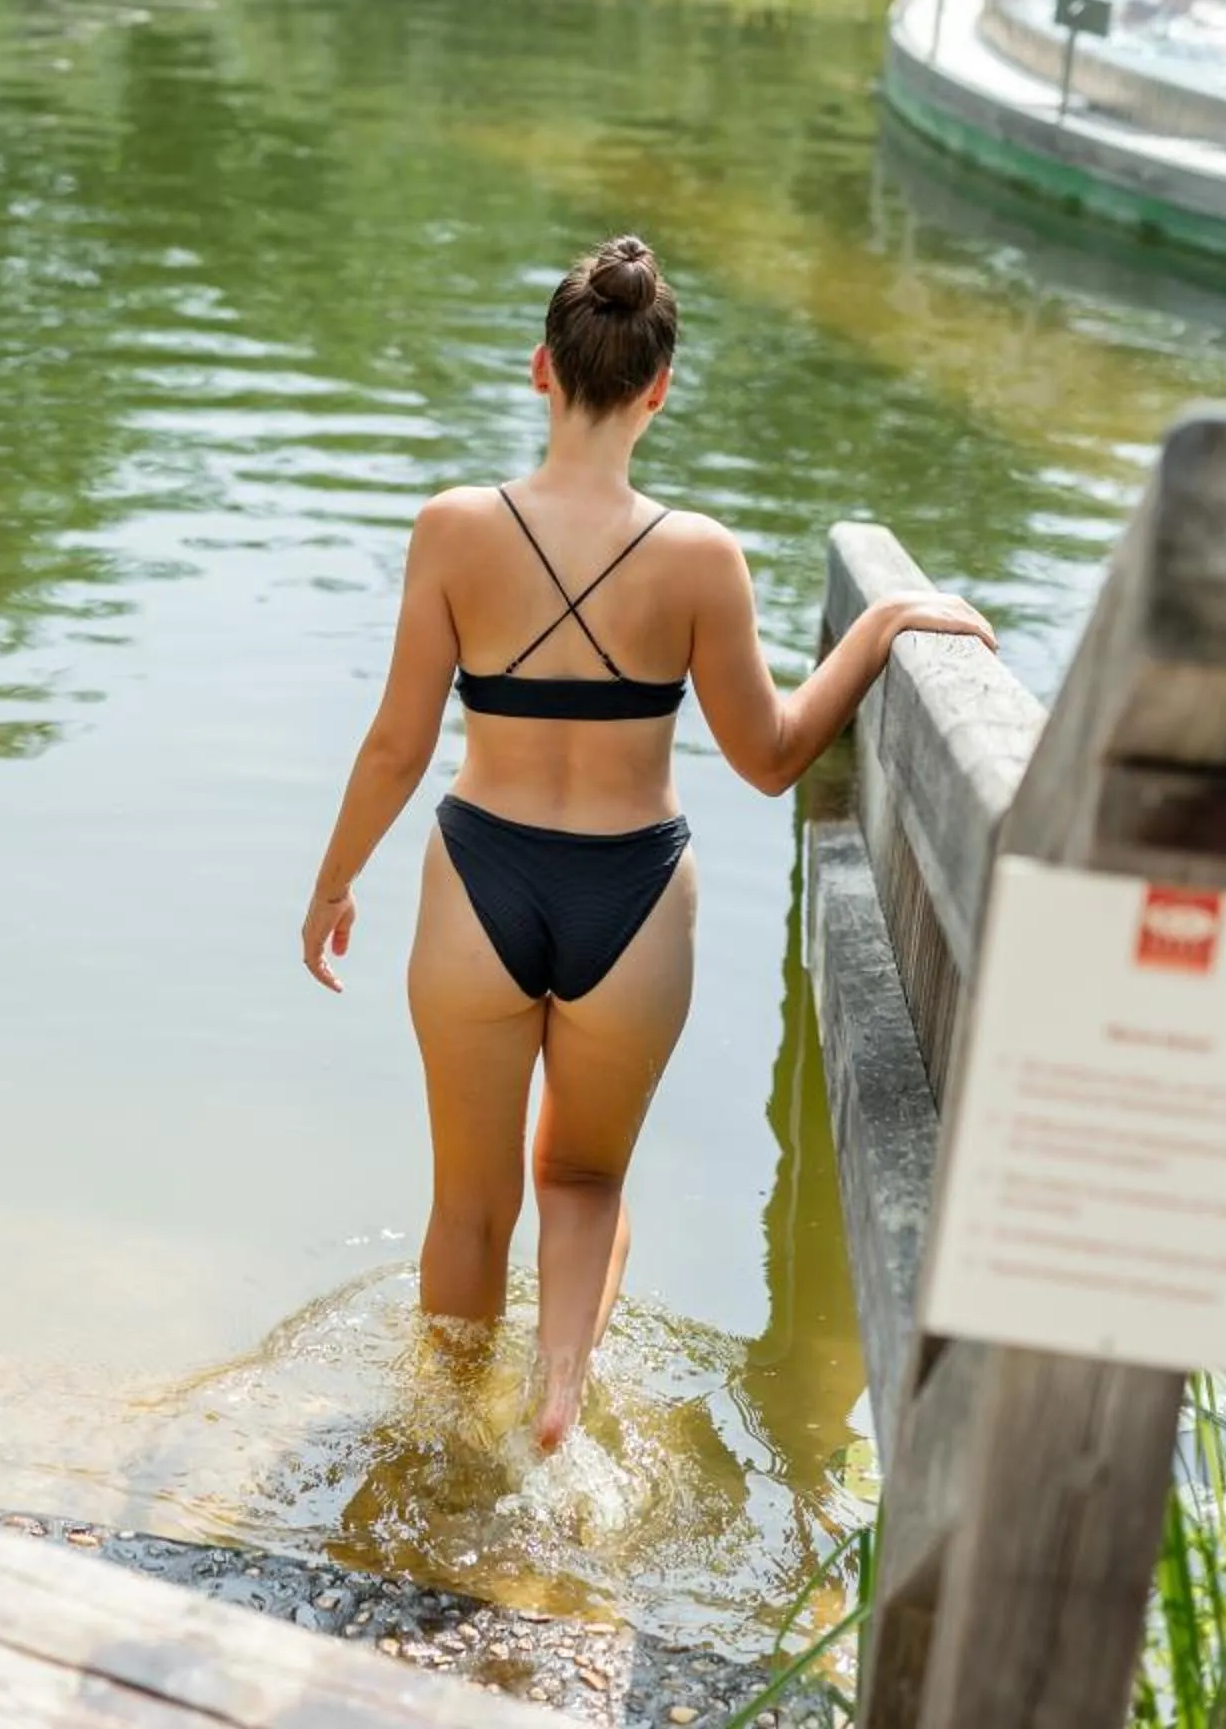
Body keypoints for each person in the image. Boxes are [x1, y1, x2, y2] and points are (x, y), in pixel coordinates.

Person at [297, 235, 994, 1452]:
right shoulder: (700, 556)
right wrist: (878, 623)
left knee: (468, 1205)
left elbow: (397, 744)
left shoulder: (453, 529)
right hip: (633, 896)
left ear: (540, 371)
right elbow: (772, 754)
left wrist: (334, 878)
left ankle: (443, 1443)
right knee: (584, 1179)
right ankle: (558, 1396)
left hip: (480, 879)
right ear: (659, 390)